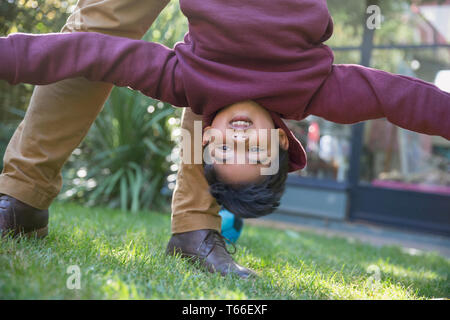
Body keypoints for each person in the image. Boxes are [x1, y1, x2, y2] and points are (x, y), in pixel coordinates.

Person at [1, 0, 449, 277]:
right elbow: (400, 99)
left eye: (222, 148)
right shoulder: (314, 90)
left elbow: (90, 54)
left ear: (204, 138)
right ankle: (23, 195)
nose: (237, 137)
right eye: (254, 148)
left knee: (98, 29)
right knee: (104, 18)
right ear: (281, 137)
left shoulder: (186, 82)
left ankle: (194, 230)